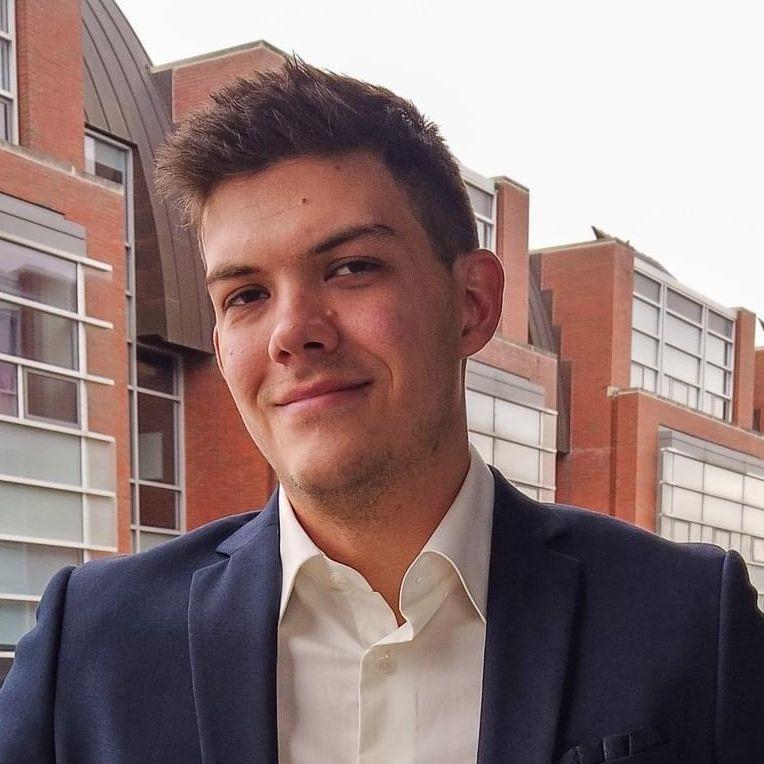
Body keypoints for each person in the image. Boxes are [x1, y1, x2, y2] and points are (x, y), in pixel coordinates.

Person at [0, 60, 762, 764]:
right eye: (246, 294)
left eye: (351, 267)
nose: (293, 332)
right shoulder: (94, 638)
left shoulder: (689, 618)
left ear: (473, 302)